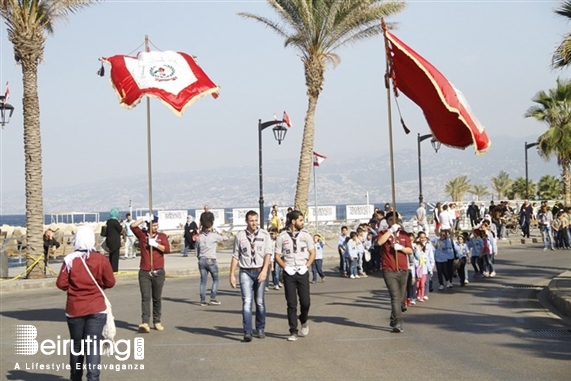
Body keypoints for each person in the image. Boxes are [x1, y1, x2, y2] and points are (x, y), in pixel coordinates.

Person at [56, 226, 116, 381]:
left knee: (77, 346)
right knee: (93, 345)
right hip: (96, 307)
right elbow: (110, 281)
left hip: (75, 308)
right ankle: (93, 378)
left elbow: (61, 284)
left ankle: (75, 377)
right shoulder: (101, 259)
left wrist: (75, 286)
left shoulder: (70, 260)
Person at [230, 210, 273, 342]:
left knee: (259, 302)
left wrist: (265, 270)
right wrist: (232, 274)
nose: (254, 223)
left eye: (255, 220)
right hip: (245, 271)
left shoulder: (265, 235)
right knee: (247, 302)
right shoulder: (240, 236)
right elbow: (235, 256)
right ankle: (247, 331)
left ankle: (260, 328)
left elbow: (268, 254)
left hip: (260, 269)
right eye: (251, 220)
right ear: (246, 221)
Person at [274, 210, 316, 341]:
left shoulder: (306, 236)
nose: (303, 223)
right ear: (293, 221)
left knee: (305, 302)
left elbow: (313, 252)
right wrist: (285, 267)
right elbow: (277, 256)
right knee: (291, 303)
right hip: (289, 272)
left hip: (302, 271)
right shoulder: (282, 237)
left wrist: (307, 265)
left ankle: (303, 319)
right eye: (300, 220)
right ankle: (293, 330)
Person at [131, 215, 171, 333]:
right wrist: (144, 218)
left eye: (156, 225)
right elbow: (132, 226)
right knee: (145, 297)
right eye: (153, 225)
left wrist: (156, 245)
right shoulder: (142, 235)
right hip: (144, 271)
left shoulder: (162, 236)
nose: (155, 227)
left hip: (158, 271)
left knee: (157, 298)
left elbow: (167, 250)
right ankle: (145, 322)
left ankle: (157, 321)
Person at [377, 212, 413, 333]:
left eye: (395, 220)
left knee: (401, 299)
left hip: (403, 269)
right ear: (387, 221)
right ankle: (398, 322)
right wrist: (390, 231)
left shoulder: (404, 235)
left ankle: (393, 317)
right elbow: (379, 242)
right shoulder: (383, 233)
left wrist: (401, 248)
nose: (393, 221)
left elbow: (410, 250)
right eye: (391, 220)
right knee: (395, 297)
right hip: (389, 270)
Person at [196, 220, 228, 306]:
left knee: (203, 281)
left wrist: (199, 257)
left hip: (202, 259)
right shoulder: (214, 236)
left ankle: (202, 300)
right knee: (216, 279)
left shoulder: (200, 237)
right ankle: (212, 298)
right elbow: (226, 238)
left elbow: (197, 250)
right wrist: (221, 232)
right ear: (211, 226)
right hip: (211, 259)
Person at [105, 208, 123, 272]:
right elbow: (119, 229)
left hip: (109, 240)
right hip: (115, 240)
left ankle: (110, 268)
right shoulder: (115, 222)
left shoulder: (109, 221)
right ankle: (114, 269)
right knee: (115, 255)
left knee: (111, 255)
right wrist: (121, 225)